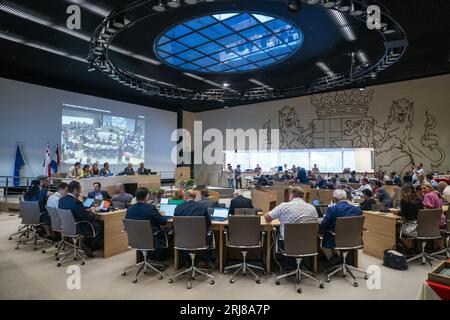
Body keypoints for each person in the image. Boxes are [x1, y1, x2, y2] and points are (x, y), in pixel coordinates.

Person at [58, 181, 103, 257]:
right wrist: (93, 212)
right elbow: (88, 218)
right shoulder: (76, 202)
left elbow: (74, 211)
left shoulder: (61, 200)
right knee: (100, 227)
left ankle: (86, 245)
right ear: (75, 190)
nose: (80, 191)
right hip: (78, 227)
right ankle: (87, 245)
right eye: (79, 189)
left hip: (66, 226)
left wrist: (85, 210)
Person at [319, 189, 362, 269]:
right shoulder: (357, 209)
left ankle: (333, 261)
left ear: (335, 199)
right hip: (353, 239)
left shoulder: (332, 209)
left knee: (322, 243)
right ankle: (338, 259)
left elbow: (323, 226)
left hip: (336, 239)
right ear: (345, 198)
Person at [125, 187, 169, 261]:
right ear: (147, 196)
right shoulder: (151, 208)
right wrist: (162, 215)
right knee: (169, 232)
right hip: (151, 239)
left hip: (135, 239)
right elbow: (163, 222)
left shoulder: (129, 209)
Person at [174, 189, 214, 267]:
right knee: (210, 233)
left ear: (185, 197)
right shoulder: (202, 207)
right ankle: (206, 260)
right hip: (199, 239)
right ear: (194, 197)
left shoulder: (178, 208)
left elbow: (174, 225)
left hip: (182, 240)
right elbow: (208, 224)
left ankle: (186, 261)